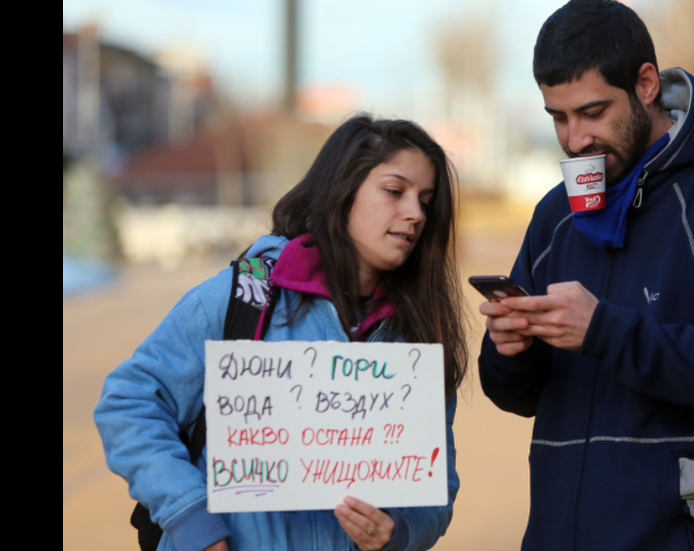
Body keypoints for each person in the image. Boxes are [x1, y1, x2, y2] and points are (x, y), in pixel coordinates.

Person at [478, 1, 694, 550]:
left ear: (647, 84)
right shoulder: (556, 215)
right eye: (558, 118)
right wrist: (511, 352)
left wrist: (604, 330)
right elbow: (516, 396)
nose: (575, 139)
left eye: (592, 111)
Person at [95, 115, 468, 551]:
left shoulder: (417, 337)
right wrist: (192, 520)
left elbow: (434, 488)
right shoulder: (241, 299)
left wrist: (399, 531)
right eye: (394, 191)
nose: (415, 213)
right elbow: (129, 403)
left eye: (425, 200)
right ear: (343, 191)